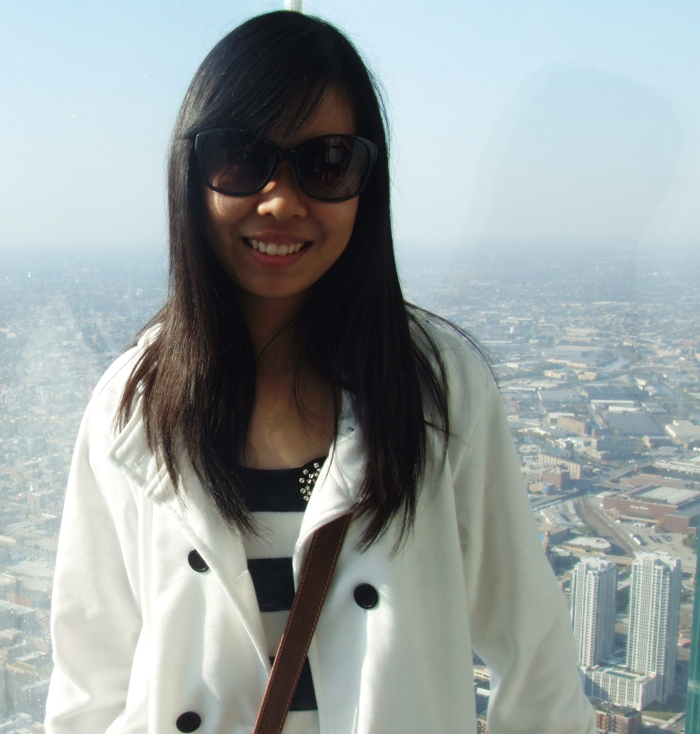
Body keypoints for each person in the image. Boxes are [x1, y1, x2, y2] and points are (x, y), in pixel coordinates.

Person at [45, 11, 596, 734]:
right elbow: (88, 687)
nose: (281, 200)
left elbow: (534, 659)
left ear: (368, 184)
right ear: (191, 175)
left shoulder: (440, 390)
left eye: (327, 162)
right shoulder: (130, 405)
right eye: (242, 158)